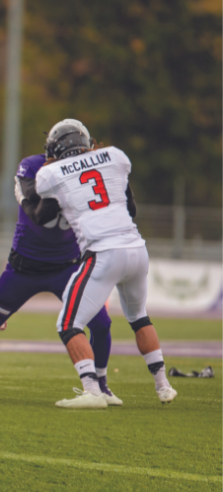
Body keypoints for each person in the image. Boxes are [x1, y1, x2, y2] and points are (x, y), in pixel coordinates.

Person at [0, 119, 117, 401]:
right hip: (24, 267)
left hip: (67, 267)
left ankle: (101, 385)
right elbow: (34, 200)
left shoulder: (90, 175)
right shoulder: (33, 166)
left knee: (101, 323)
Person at [33, 120, 176, 407]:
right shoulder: (115, 156)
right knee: (139, 317)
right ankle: (163, 386)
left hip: (102, 252)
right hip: (136, 249)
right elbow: (130, 208)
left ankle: (92, 391)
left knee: (68, 323)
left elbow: (42, 215)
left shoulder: (50, 173)